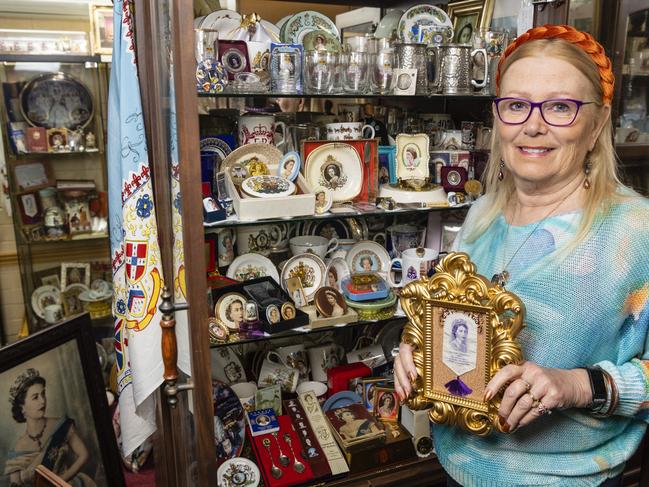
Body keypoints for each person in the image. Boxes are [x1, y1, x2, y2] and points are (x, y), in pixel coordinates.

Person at [394, 25, 649, 487]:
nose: (533, 125)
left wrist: (577, 385)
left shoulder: (637, 230)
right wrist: (418, 350)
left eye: (559, 107)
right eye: (516, 105)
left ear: (596, 123)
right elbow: (458, 320)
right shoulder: (481, 213)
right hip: (457, 465)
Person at [4, 368, 94, 486]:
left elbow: (84, 454)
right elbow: (16, 484)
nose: (43, 401)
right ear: (22, 407)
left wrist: (59, 481)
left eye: (43, 394)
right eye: (35, 397)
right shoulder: (17, 450)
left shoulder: (61, 426)